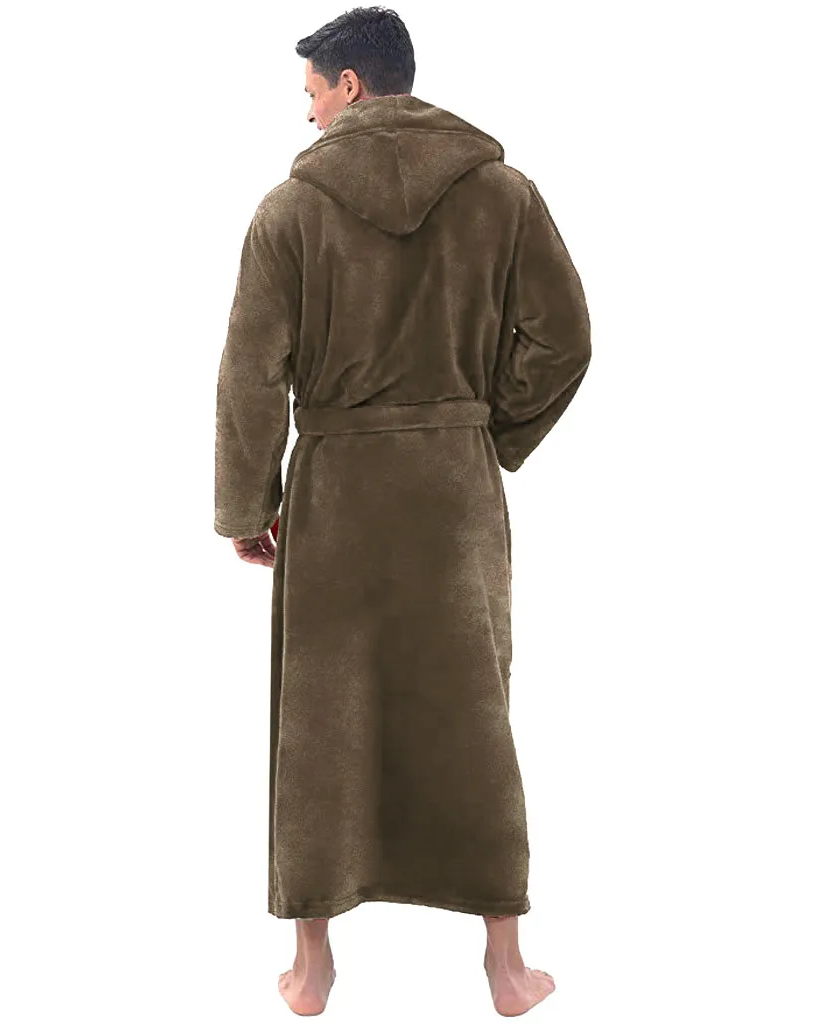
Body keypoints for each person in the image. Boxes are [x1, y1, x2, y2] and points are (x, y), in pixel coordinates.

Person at [214, 6, 591, 1016]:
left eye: (310, 94)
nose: (305, 116)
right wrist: (488, 431)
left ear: (349, 84)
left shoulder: (289, 211)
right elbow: (565, 338)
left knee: (319, 721)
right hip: (454, 496)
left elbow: (250, 373)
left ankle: (313, 966)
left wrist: (247, 503)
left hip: (336, 495)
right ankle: (506, 964)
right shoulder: (503, 194)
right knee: (473, 714)